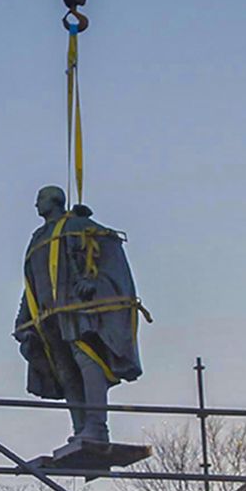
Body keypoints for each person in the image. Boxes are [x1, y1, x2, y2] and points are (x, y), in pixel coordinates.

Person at [14, 185, 148, 443]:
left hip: (74, 308)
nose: (36, 205)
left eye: (39, 199)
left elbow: (104, 254)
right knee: (65, 371)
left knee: (87, 359)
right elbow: (31, 282)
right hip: (48, 316)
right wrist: (23, 318)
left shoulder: (76, 225)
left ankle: (97, 427)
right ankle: (80, 429)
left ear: (54, 200)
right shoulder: (38, 238)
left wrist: (93, 283)